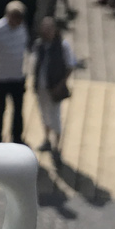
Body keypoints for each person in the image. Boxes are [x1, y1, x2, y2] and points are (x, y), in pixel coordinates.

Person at [32, 16, 77, 156]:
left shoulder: (63, 46)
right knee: (44, 114)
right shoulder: (39, 45)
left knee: (55, 115)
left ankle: (57, 145)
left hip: (55, 87)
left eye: (49, 29)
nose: (46, 32)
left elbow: (70, 65)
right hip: (41, 86)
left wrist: (61, 84)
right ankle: (47, 139)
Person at [0, 0, 30, 145]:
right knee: (0, 109)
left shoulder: (22, 28)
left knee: (18, 110)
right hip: (1, 77)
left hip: (17, 77)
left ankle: (16, 138)